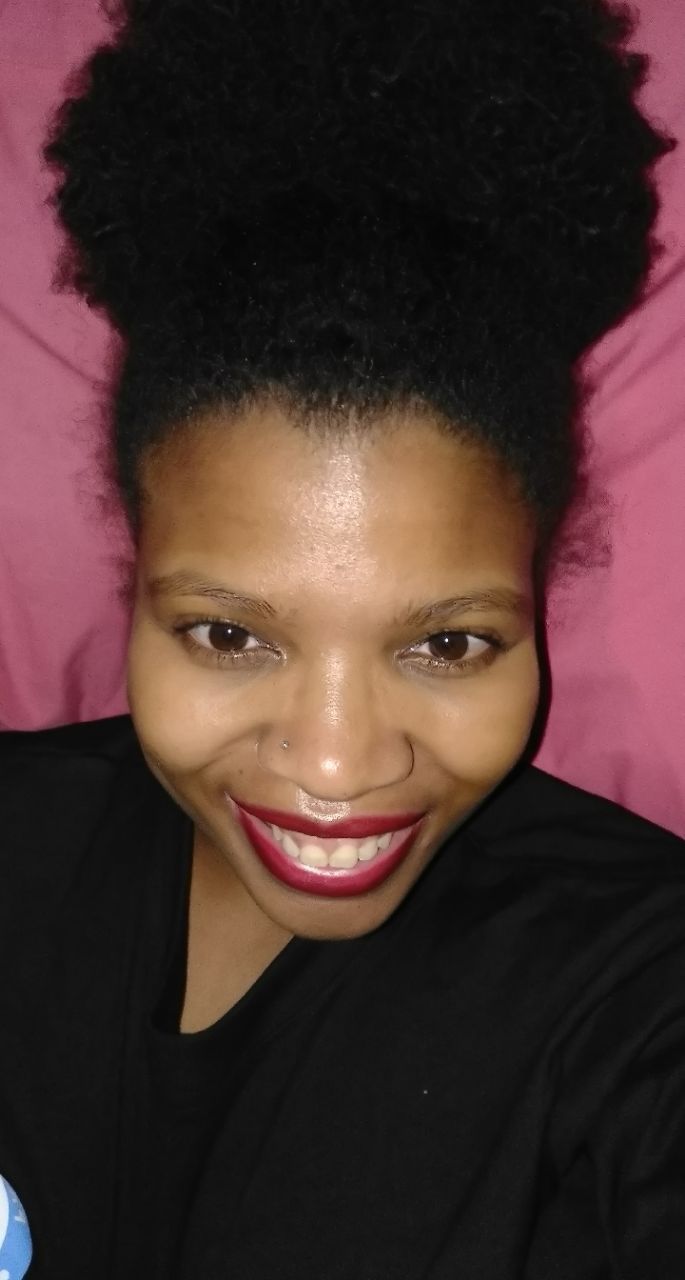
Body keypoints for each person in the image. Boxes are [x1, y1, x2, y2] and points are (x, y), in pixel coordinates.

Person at [1, 0, 684, 1275]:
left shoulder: (633, 975)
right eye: (228, 633)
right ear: (132, 583)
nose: (334, 761)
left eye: (447, 645)